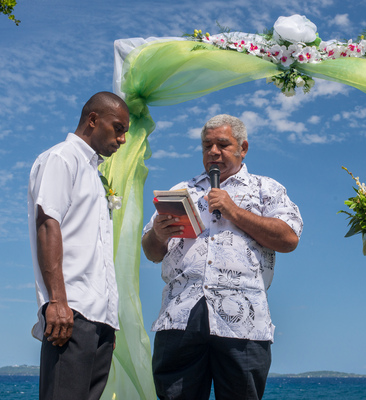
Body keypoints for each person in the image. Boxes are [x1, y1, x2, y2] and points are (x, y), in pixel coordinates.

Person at [142, 114, 303, 400]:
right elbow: (152, 252)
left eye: (222, 144)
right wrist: (158, 232)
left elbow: (289, 238)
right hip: (180, 316)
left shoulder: (266, 189)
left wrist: (233, 211)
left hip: (243, 320)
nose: (213, 152)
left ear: (243, 148)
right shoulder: (181, 191)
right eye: (206, 146)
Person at [27, 91, 129, 400]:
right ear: (93, 120)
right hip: (70, 311)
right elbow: (48, 223)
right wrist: (57, 301)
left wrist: (107, 322)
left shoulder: (94, 174)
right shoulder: (61, 158)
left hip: (97, 319)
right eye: (118, 128)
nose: (122, 139)